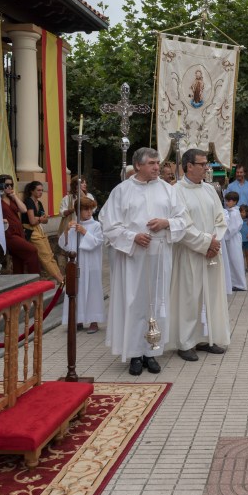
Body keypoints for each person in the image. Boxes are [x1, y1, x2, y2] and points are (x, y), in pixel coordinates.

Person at [102, 147, 187, 376]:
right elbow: (109, 225)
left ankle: (152, 352)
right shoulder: (122, 191)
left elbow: (182, 218)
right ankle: (135, 355)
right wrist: (133, 237)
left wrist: (166, 222)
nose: (157, 167)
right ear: (138, 165)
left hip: (160, 256)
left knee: (158, 302)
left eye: (158, 163)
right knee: (134, 303)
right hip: (134, 259)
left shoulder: (168, 190)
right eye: (151, 163)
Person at [169, 148, 231, 362]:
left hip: (211, 252)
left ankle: (208, 337)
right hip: (190, 253)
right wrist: (206, 243)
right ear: (188, 166)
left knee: (211, 296)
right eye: (203, 164)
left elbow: (220, 218)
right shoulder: (176, 191)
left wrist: (215, 241)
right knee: (190, 297)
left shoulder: (210, 189)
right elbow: (182, 225)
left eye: (207, 163)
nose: (207, 167)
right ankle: (185, 342)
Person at [59, 196, 103, 334]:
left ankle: (93, 321)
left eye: (90, 209)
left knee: (92, 290)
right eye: (85, 209)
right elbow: (65, 245)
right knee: (76, 290)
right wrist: (67, 231)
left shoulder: (96, 225)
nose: (89, 212)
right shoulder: (74, 225)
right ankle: (76, 320)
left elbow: (97, 242)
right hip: (77, 263)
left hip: (91, 263)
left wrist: (84, 232)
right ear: (79, 211)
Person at [21, 181, 64, 282]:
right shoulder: (28, 201)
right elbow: (32, 221)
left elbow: (46, 220)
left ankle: (61, 278)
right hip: (31, 231)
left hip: (40, 229)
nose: (41, 192)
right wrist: (40, 218)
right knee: (45, 256)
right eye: (38, 190)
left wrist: (38, 219)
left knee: (50, 255)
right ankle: (60, 279)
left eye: (42, 190)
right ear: (32, 191)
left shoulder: (39, 203)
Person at [0, 175, 40, 274]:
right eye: (6, 185)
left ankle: (20, 284)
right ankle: (35, 280)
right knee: (32, 251)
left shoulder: (12, 198)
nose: (9, 187)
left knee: (18, 259)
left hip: (19, 230)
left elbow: (24, 209)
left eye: (11, 185)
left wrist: (14, 196)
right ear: (1, 185)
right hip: (8, 233)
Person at [223, 192, 248, 292]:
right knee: (230, 260)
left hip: (233, 238)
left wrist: (225, 235)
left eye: (229, 201)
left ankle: (240, 283)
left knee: (236, 259)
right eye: (226, 200)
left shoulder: (234, 213)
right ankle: (233, 282)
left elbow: (234, 227)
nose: (227, 202)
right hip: (229, 238)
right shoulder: (229, 211)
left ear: (235, 202)